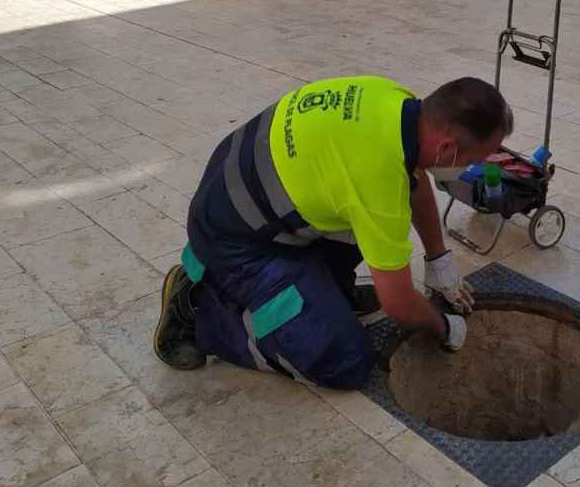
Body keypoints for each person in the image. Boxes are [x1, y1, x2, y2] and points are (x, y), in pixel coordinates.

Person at [152, 75, 513, 389]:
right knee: (344, 362)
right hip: (236, 241)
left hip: (238, 189)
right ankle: (198, 311)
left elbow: (413, 178)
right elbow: (400, 306)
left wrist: (439, 259)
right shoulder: (377, 175)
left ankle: (327, 294)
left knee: (359, 217)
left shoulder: (396, 101)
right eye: (474, 160)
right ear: (448, 148)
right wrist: (444, 329)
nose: (472, 167)